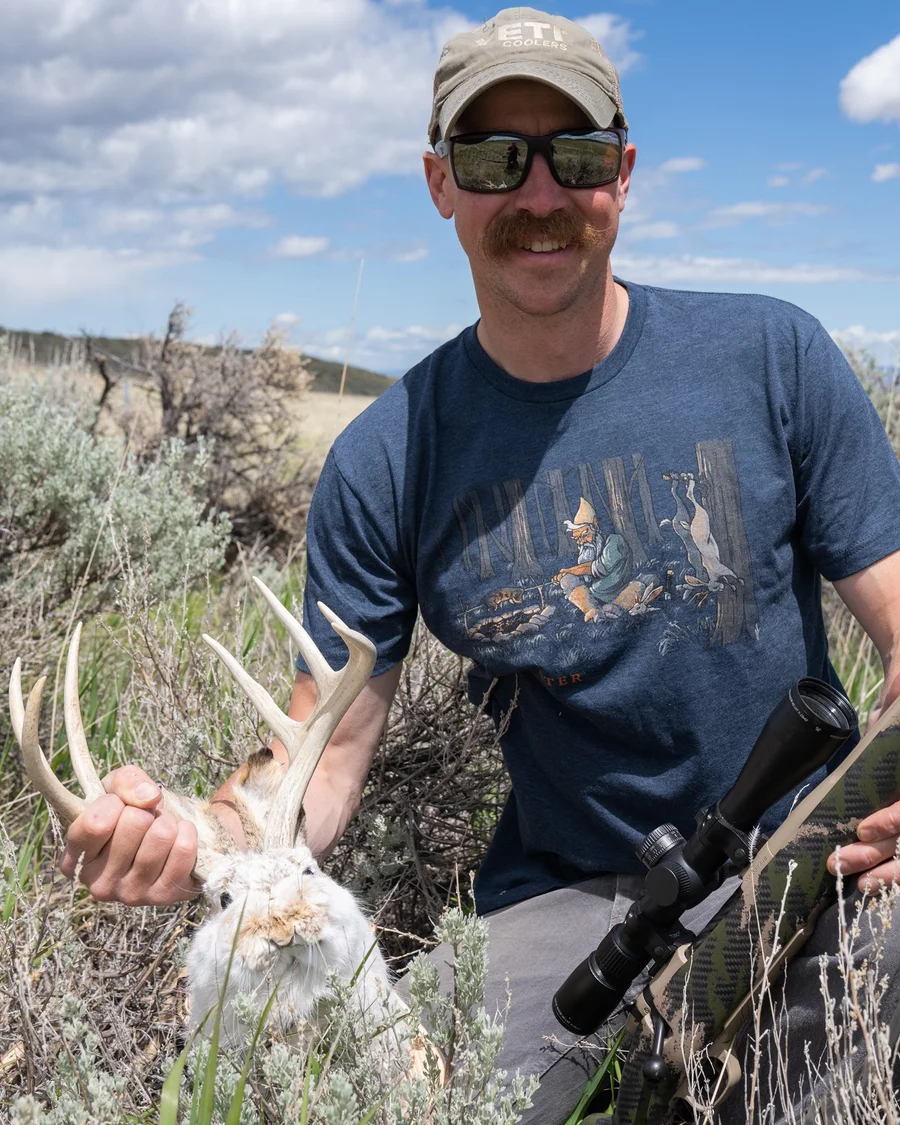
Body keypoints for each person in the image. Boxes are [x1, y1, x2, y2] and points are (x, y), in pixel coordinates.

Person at [60, 8, 900, 1122]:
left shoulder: (771, 358)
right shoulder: (388, 458)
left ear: (623, 175)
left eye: (576, 156)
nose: (540, 194)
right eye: (496, 159)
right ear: (441, 183)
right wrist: (196, 836)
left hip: (813, 850)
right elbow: (322, 760)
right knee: (410, 1098)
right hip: (569, 899)